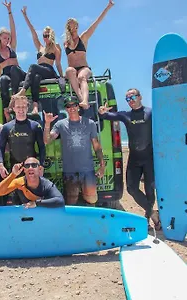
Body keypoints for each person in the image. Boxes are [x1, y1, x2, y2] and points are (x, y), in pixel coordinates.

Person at [98, 88, 161, 230]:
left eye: (133, 97)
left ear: (140, 97)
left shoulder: (151, 113)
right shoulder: (126, 116)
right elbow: (106, 116)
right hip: (134, 158)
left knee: (150, 191)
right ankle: (153, 213)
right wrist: (101, 112)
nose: (131, 101)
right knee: (132, 189)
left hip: (149, 158)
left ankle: (148, 220)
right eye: (128, 99)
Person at [44, 96, 105, 206]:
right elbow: (47, 140)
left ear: (78, 106)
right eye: (68, 106)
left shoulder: (90, 123)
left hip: (88, 170)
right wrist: (47, 123)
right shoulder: (60, 124)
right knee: (71, 203)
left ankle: (91, 222)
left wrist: (102, 166)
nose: (71, 108)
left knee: (92, 200)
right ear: (66, 109)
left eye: (74, 105)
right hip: (69, 172)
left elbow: (96, 146)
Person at [64, 0, 114, 109]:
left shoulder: (83, 38)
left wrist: (108, 7)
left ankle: (85, 101)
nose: (73, 28)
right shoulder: (66, 43)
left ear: (77, 26)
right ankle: (81, 99)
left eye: (74, 26)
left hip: (83, 67)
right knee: (69, 71)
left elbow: (96, 23)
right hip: (72, 68)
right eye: (70, 26)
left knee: (82, 77)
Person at [15, 6, 63, 114]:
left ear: (51, 35)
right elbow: (33, 32)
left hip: (49, 70)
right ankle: (35, 106)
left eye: (47, 35)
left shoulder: (56, 47)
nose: (45, 37)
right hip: (40, 71)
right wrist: (25, 16)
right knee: (35, 77)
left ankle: (23, 90)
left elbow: (58, 63)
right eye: (44, 35)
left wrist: (62, 76)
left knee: (32, 67)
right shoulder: (40, 47)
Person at [0, 1, 26, 119]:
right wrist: (7, 62)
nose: (7, 40)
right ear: (0, 37)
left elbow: (13, 29)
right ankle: (6, 109)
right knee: (3, 79)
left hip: (17, 73)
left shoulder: (12, 47)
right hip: (6, 75)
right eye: (5, 37)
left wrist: (9, 11)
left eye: (8, 38)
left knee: (15, 69)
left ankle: (15, 98)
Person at [0, 95, 46, 179]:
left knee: (33, 192)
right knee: (17, 192)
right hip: (15, 169)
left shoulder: (35, 126)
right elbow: (0, 147)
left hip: (32, 169)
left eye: (24, 106)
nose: (21, 109)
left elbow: (42, 147)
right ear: (14, 108)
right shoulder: (6, 128)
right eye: (18, 107)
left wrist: (41, 166)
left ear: (27, 108)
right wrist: (1, 164)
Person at [0, 157, 64, 208]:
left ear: (39, 169)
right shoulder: (20, 182)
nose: (30, 168)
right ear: (24, 170)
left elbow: (60, 200)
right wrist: (13, 175)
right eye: (27, 166)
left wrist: (36, 203)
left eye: (34, 165)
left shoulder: (46, 185)